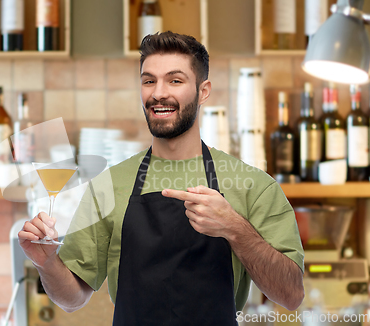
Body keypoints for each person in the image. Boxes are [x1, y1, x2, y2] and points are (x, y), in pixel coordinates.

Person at [18, 31, 305, 325]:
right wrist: (46, 262)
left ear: (203, 91)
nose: (158, 93)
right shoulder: (109, 185)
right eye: (149, 80)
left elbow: (291, 295)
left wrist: (235, 229)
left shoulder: (252, 185)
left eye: (175, 80)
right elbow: (72, 298)